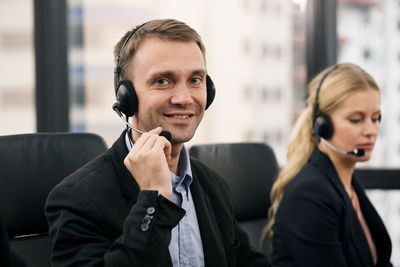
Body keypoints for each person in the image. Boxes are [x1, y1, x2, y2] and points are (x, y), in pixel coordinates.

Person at [45, 19, 270, 267]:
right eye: (163, 81)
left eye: (195, 80)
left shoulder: (212, 186)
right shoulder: (78, 198)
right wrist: (152, 200)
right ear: (126, 96)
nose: (184, 98)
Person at [265, 63, 393, 266]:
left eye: (376, 118)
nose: (371, 130)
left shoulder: (348, 186)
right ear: (322, 125)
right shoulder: (310, 194)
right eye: (356, 120)